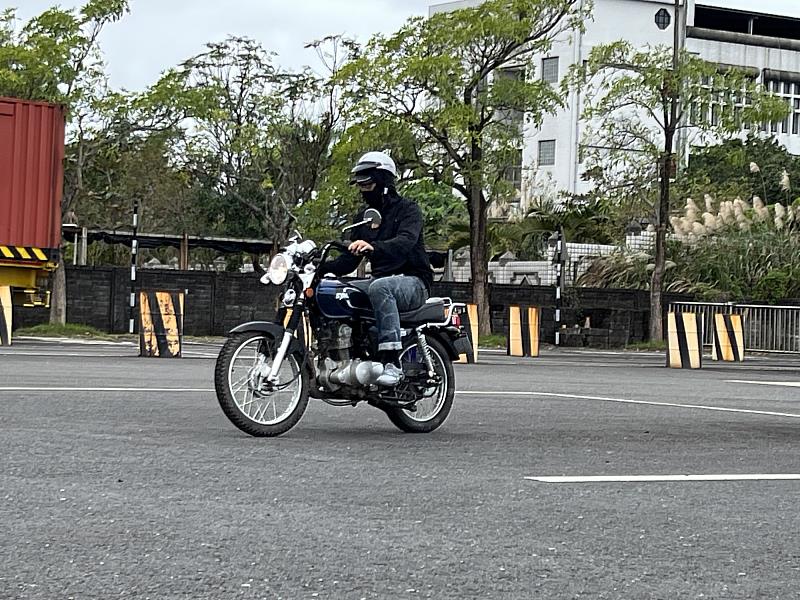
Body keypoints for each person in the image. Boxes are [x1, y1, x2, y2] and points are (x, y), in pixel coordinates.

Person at [325, 151, 433, 386]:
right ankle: (345, 353)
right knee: (336, 289)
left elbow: (405, 243)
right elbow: (348, 262)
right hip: (382, 281)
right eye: (360, 185)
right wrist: (318, 267)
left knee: (379, 287)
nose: (364, 190)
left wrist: (373, 247)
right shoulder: (364, 218)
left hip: (414, 281)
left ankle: (391, 362)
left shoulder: (408, 210)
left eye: (368, 184)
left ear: (383, 181)